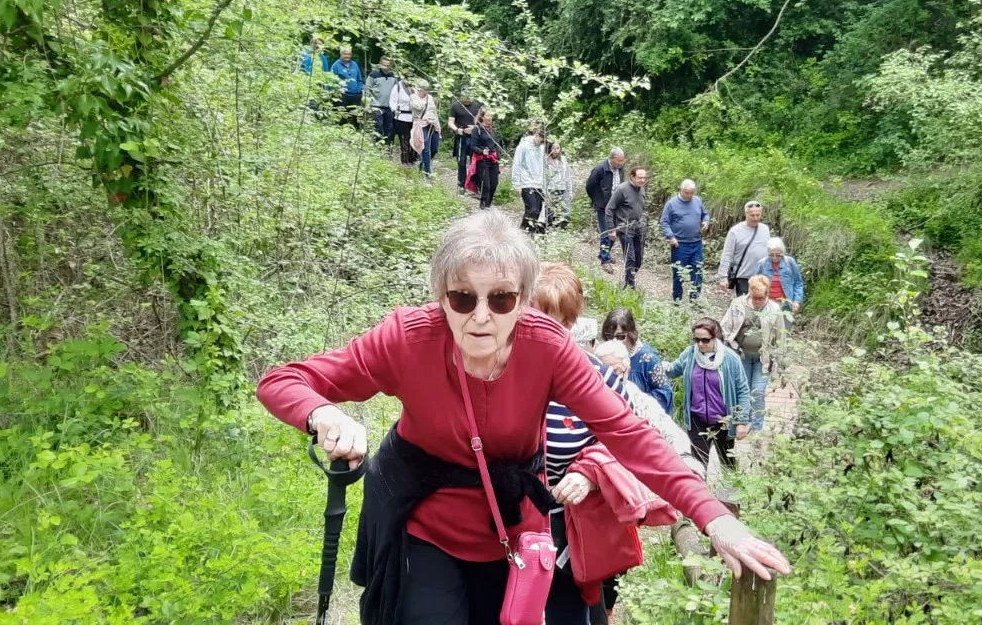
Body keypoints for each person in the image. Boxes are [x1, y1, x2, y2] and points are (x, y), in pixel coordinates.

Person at [256, 212, 788, 625]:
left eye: (502, 297)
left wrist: (714, 517)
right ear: (441, 295)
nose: (481, 314)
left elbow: (626, 434)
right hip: (423, 521)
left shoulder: (547, 347)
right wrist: (322, 411)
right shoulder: (408, 338)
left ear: (523, 300)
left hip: (508, 524)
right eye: (463, 297)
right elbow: (282, 381)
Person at [529, 263, 700, 624]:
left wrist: (590, 472)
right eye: (539, 316)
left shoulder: (596, 376)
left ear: (572, 323)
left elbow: (634, 432)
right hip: (509, 524)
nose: (549, 330)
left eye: (560, 320)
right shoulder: (497, 371)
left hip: (570, 527)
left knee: (569, 611)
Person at [664, 318, 751, 472]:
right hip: (697, 420)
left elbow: (742, 390)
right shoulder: (690, 354)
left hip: (723, 421)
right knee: (697, 466)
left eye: (705, 340)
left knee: (728, 464)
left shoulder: (731, 359)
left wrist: (741, 421)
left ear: (715, 337)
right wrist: (658, 366)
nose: (700, 344)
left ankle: (729, 495)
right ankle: (700, 495)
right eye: (696, 340)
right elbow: (673, 370)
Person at [719, 275, 785, 434]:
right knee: (742, 389)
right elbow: (725, 327)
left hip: (763, 358)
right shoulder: (738, 305)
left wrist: (780, 361)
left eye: (760, 298)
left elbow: (780, 337)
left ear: (767, 295)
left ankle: (756, 428)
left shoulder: (774, 310)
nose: (757, 301)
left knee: (758, 391)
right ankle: (742, 422)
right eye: (754, 298)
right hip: (741, 355)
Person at [600, 308, 672, 414]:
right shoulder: (604, 354)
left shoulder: (648, 359)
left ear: (630, 334)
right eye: (610, 336)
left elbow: (664, 393)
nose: (614, 341)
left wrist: (637, 401)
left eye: (620, 337)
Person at [659, 179, 710, 302]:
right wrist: (671, 236)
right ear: (681, 190)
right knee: (678, 273)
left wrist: (706, 221)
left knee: (697, 271)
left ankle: (695, 299)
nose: (689, 195)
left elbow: (705, 214)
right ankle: (677, 299)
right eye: (687, 192)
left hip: (696, 243)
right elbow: (664, 222)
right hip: (680, 245)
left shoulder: (697, 201)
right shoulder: (672, 204)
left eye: (692, 192)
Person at [605, 167, 649, 289]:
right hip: (625, 228)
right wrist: (611, 229)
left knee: (638, 260)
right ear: (632, 176)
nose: (642, 180)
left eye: (644, 178)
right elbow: (609, 208)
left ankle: (629, 278)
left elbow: (642, 208)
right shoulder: (622, 189)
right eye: (639, 177)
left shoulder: (642, 190)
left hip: (639, 229)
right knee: (630, 258)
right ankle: (630, 286)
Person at [584, 149, 627, 272]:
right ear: (612, 158)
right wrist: (597, 200)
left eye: (622, 160)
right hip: (604, 206)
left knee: (616, 232)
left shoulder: (620, 168)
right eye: (619, 160)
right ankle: (605, 260)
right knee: (607, 232)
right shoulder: (600, 169)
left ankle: (603, 252)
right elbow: (589, 186)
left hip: (617, 206)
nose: (621, 163)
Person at [717, 201, 771, 296]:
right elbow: (727, 254)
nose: (755, 218)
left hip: (762, 277)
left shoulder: (765, 229)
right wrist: (723, 277)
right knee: (746, 307)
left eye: (758, 215)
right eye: (752, 215)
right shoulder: (735, 231)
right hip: (743, 277)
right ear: (746, 214)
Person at [464, 110, 502, 210]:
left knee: (494, 184)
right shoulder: (477, 129)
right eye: (488, 115)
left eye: (491, 115)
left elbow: (496, 145)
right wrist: (481, 151)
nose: (490, 117)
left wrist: (499, 158)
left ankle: (488, 205)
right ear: (482, 117)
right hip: (482, 160)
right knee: (486, 186)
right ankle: (484, 207)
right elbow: (473, 146)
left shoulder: (492, 130)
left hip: (494, 160)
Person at [512, 127, 547, 233]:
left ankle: (530, 233)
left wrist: (545, 184)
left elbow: (543, 166)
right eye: (541, 140)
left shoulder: (541, 148)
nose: (542, 143)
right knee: (532, 209)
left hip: (539, 183)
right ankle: (523, 232)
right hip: (526, 182)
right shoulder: (523, 146)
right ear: (536, 136)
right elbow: (516, 164)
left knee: (537, 211)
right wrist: (516, 184)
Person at [449, 88, 484, 195]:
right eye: (465, 97)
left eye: (469, 97)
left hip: (475, 137)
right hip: (462, 136)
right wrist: (457, 130)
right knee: (461, 161)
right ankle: (461, 184)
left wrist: (475, 127)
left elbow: (483, 121)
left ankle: (475, 184)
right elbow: (450, 122)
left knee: (476, 161)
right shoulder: (455, 106)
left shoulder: (477, 105)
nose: (467, 99)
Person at [763, 237, 805, 323]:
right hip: (767, 304)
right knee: (768, 333)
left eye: (778, 255)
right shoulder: (762, 263)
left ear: (782, 253)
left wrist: (796, 301)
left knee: (784, 333)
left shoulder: (790, 262)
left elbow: (798, 283)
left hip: (785, 304)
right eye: (771, 254)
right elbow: (756, 284)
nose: (774, 257)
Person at [365, 56, 400, 149]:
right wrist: (367, 103)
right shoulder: (373, 74)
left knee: (389, 128)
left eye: (387, 65)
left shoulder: (394, 76)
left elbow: (398, 90)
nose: (385, 67)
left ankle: (387, 147)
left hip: (390, 106)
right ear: (380, 64)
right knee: (378, 127)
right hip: (376, 105)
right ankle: (377, 147)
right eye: (384, 65)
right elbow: (367, 88)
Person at [409, 80, 441, 179]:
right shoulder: (413, 97)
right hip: (421, 125)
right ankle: (428, 173)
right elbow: (418, 108)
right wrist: (420, 97)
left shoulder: (430, 97)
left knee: (434, 148)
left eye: (427, 90)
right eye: (424, 90)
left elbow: (434, 112)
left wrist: (438, 126)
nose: (426, 92)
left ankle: (422, 162)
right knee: (425, 149)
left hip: (432, 124)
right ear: (419, 89)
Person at [543, 139, 573, 230]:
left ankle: (563, 230)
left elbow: (567, 175)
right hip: (551, 189)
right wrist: (545, 192)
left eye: (557, 148)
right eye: (553, 148)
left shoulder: (563, 159)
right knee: (551, 213)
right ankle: (551, 231)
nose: (555, 150)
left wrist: (570, 191)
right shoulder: (545, 160)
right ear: (549, 148)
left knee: (566, 212)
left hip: (563, 189)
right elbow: (543, 177)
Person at [330, 46, 365, 121]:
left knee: (355, 118)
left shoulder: (355, 64)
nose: (347, 56)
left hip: (355, 95)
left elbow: (359, 79)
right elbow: (332, 81)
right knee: (341, 117)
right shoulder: (336, 65)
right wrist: (339, 92)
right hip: (343, 96)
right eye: (345, 54)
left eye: (349, 54)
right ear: (341, 54)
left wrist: (359, 89)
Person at [389, 73, 416, 165]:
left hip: (413, 117)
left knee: (413, 138)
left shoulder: (414, 88)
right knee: (404, 138)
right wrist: (394, 110)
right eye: (408, 79)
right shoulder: (397, 87)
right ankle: (405, 160)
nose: (410, 81)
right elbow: (392, 101)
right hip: (401, 117)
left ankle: (412, 158)